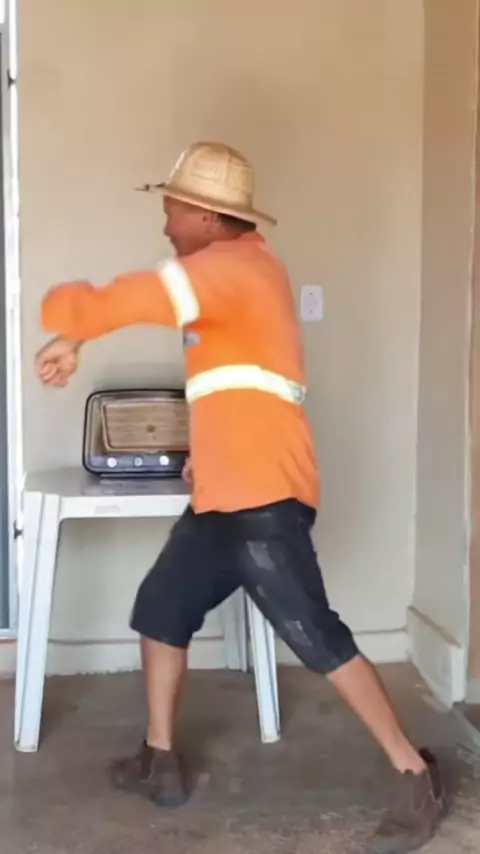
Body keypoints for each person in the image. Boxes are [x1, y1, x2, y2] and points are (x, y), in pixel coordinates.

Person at [35, 142, 446, 853]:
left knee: (314, 634)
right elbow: (240, 385)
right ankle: (160, 758)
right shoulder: (231, 279)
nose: (165, 221)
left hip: (262, 494)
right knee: (160, 610)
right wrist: (208, 454)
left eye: (171, 208)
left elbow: (137, 294)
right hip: (225, 492)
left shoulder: (233, 268)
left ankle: (416, 774)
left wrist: (70, 327)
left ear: (204, 215)